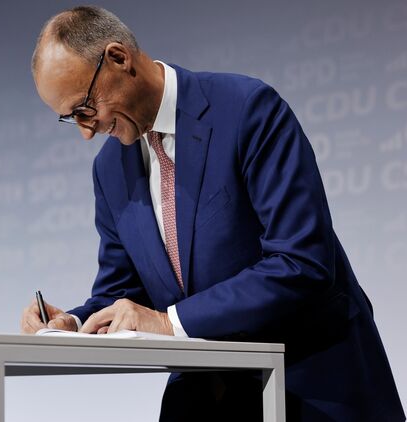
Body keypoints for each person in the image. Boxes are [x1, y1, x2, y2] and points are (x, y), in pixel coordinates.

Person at [20, 6, 404, 422]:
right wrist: (74, 322)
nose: (86, 131)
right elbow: (124, 292)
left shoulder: (247, 110)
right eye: (71, 118)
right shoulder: (110, 168)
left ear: (118, 58)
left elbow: (301, 262)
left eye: (84, 108)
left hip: (312, 386)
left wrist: (169, 322)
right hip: (207, 397)